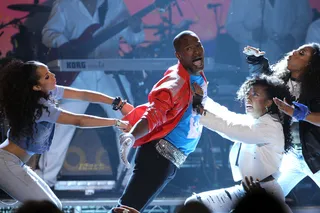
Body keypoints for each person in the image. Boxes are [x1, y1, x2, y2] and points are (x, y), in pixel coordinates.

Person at [39, 0, 145, 186]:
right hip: (78, 77)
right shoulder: (65, 4)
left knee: (129, 122)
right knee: (62, 125)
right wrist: (66, 45)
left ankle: (128, 181)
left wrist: (136, 28)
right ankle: (45, 182)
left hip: (109, 74)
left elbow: (134, 39)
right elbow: (48, 33)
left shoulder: (115, 5)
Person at [0, 60, 131, 208]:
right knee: (49, 208)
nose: (53, 75)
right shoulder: (40, 109)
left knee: (55, 206)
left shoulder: (48, 92)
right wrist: (117, 122)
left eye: (49, 72)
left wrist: (118, 103)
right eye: (47, 77)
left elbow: (83, 94)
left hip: (14, 162)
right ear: (36, 87)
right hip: (5, 163)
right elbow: (78, 120)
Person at [109, 30, 208, 212]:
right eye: (189, 48)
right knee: (126, 210)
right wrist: (131, 136)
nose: (196, 51)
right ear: (179, 55)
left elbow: (185, 101)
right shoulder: (175, 83)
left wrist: (196, 102)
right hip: (158, 157)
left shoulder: (194, 73)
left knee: (130, 209)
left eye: (198, 45)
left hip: (166, 159)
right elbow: (155, 113)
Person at [185, 75, 293, 213]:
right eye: (247, 94)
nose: (248, 98)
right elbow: (226, 115)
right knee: (195, 204)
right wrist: (203, 96)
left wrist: (200, 111)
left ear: (269, 102)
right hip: (244, 189)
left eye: (255, 95)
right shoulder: (254, 120)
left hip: (265, 193)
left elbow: (229, 128)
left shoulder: (271, 125)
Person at [244, 43, 320, 197]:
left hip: (316, 156)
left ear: (311, 64)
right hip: (290, 156)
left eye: (302, 53)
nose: (293, 52)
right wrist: (257, 60)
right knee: (264, 201)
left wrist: (300, 114)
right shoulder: (279, 82)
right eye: (296, 50)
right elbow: (262, 79)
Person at [225, 0, 312, 69]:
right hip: (255, 59)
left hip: (288, 55)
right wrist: (251, 35)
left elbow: (305, 18)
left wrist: (293, 36)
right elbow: (232, 25)